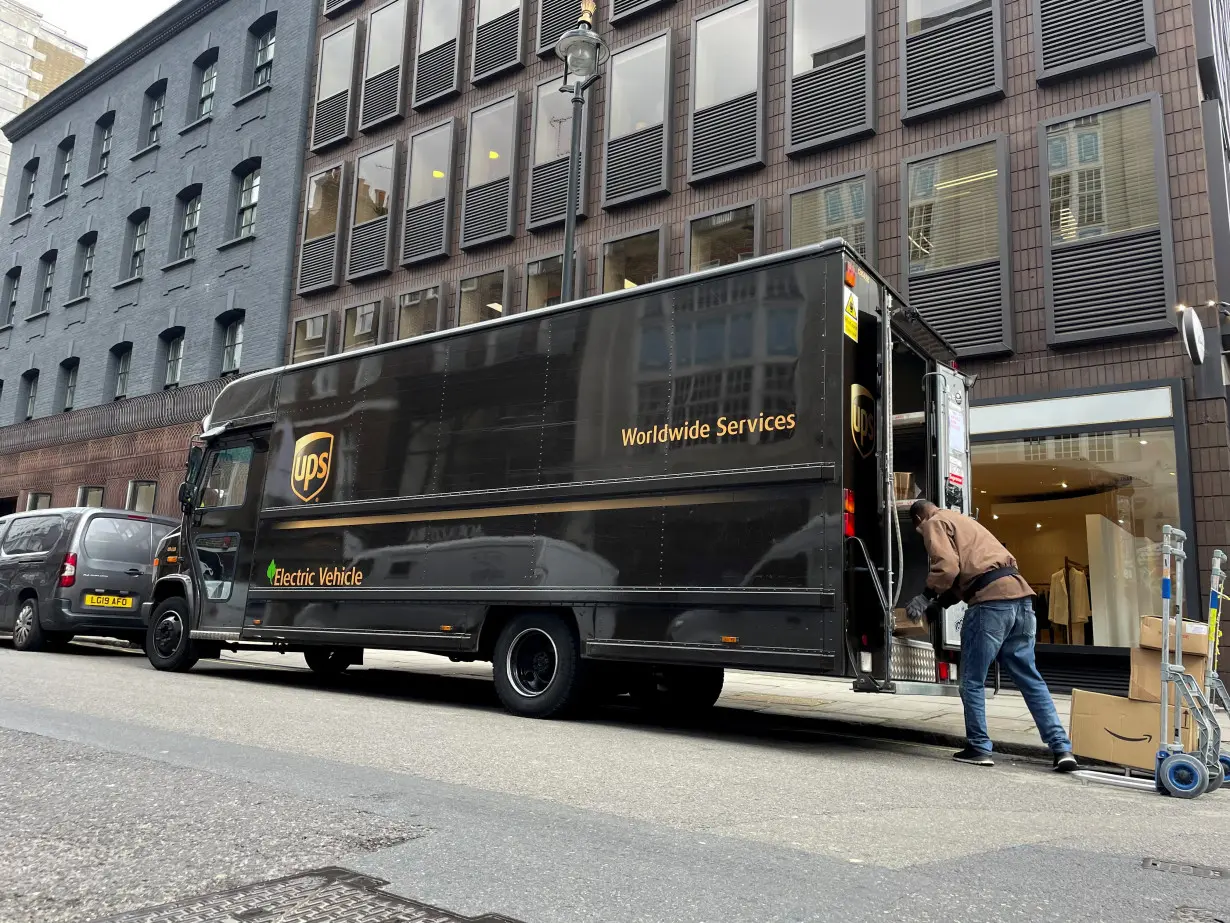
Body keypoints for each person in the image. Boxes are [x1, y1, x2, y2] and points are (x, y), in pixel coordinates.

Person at [905, 499, 1078, 772]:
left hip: (990, 607)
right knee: (1030, 679)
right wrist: (942, 604)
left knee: (972, 681)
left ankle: (979, 748)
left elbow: (948, 566)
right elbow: (978, 570)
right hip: (1021, 601)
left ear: (918, 520)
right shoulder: (966, 522)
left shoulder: (932, 522)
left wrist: (925, 597)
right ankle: (1062, 749)